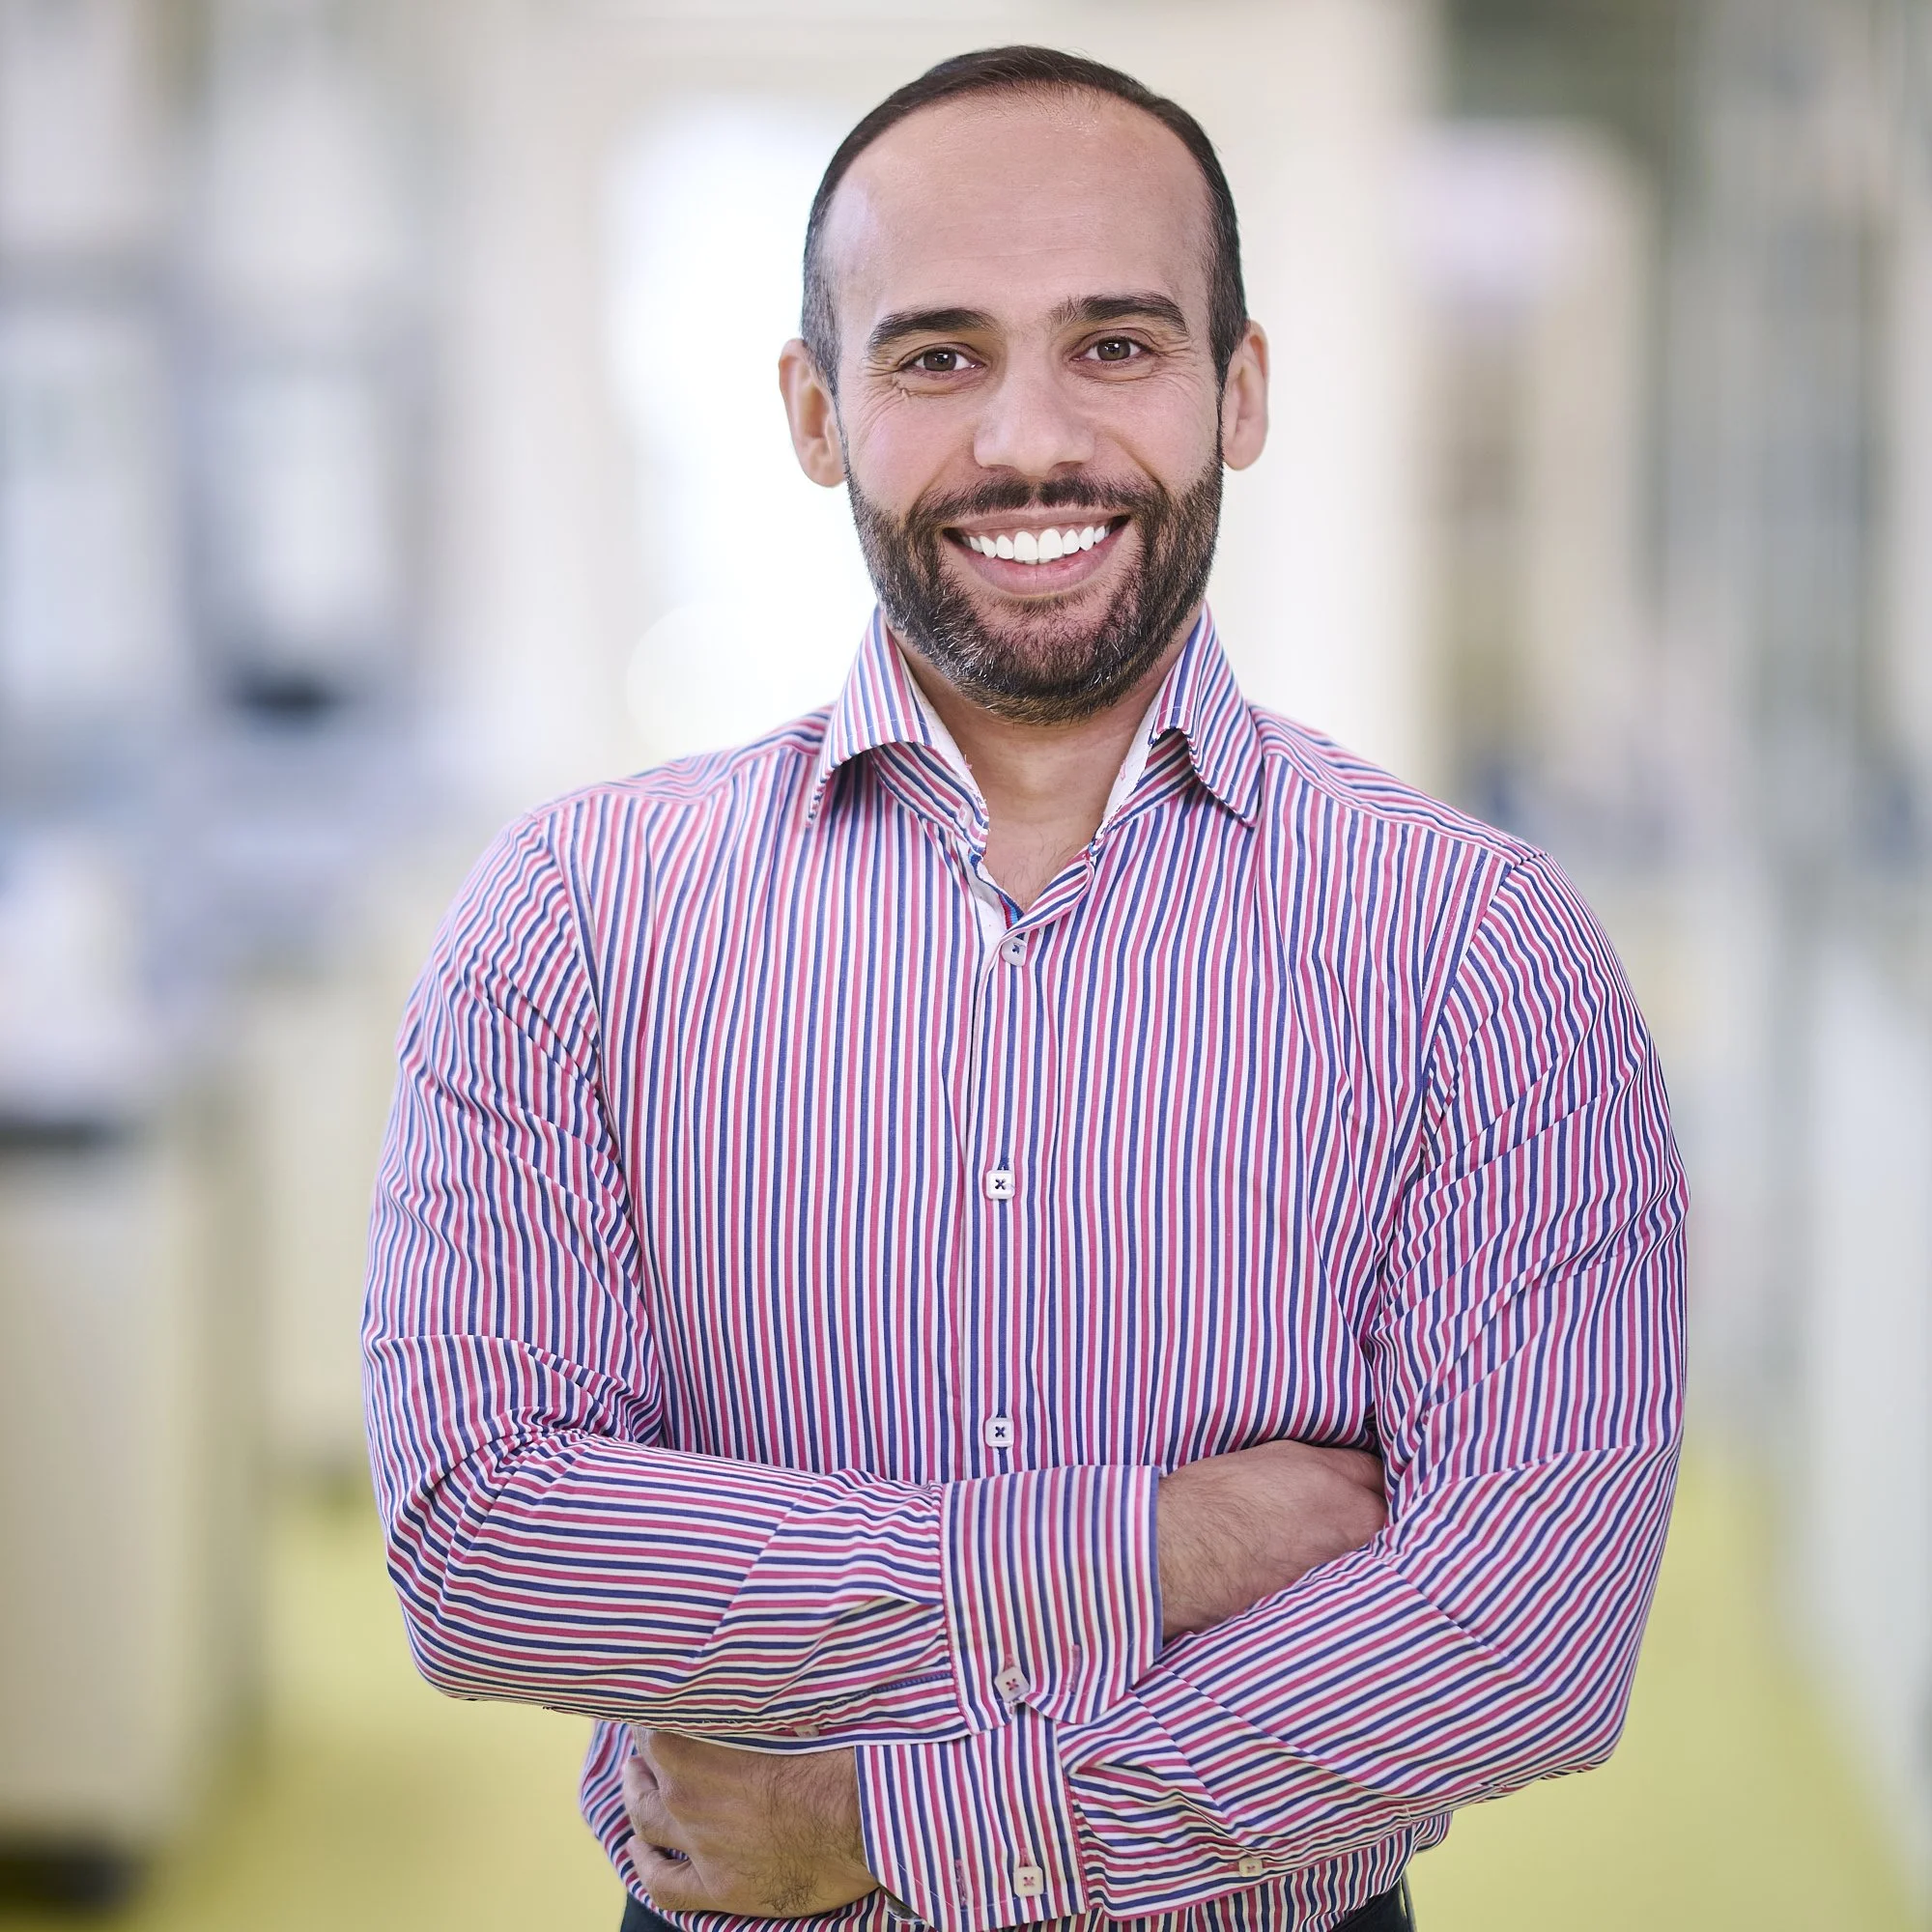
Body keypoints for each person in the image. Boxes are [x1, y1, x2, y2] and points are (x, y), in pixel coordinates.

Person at [362, 44, 1685, 1932]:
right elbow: (483, 1543)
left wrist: (900, 1824)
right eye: (936, 355)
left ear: (1239, 388)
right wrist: (1143, 1545)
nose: (1028, 442)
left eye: (1118, 345)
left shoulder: (1478, 950)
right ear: (816, 410)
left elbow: (1524, 1625)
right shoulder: (574, 921)